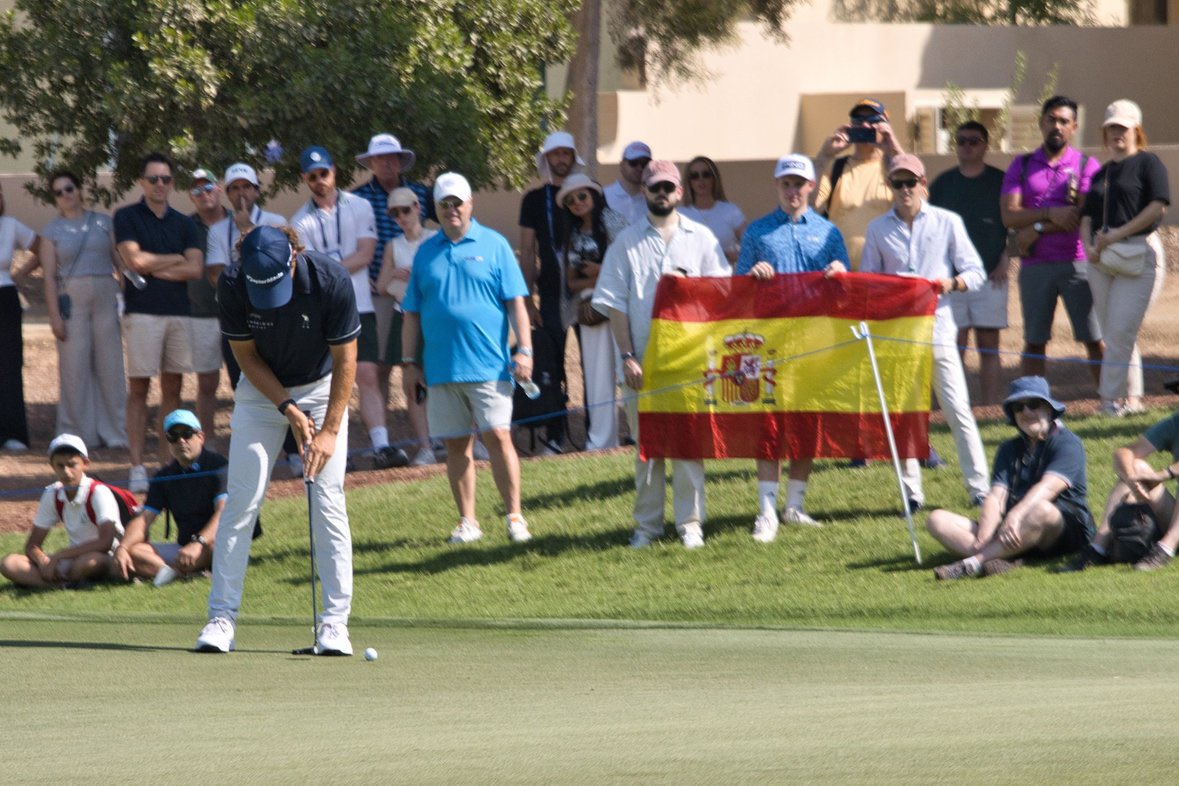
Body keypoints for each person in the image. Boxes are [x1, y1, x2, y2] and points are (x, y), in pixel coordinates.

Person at [196, 225, 359, 655]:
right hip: (261, 393)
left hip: (322, 390)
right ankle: (221, 618)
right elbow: (246, 357)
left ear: (293, 258)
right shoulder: (232, 284)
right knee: (242, 500)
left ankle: (334, 624)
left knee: (326, 499)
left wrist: (328, 431)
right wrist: (287, 407)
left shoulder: (330, 280)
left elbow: (346, 361)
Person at [592, 160, 729, 549]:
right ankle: (647, 527)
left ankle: (690, 524)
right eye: (655, 187)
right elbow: (615, 305)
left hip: (689, 363)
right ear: (645, 192)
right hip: (642, 365)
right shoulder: (625, 243)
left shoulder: (702, 238)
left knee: (688, 447)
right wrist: (627, 356)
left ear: (679, 192)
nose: (662, 193)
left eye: (669, 187)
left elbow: (722, 296)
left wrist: (693, 291)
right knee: (647, 450)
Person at [400, 173, 535, 545]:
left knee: (499, 437)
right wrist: (409, 362)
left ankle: (515, 517)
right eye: (444, 204)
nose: (451, 209)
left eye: (457, 202)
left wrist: (524, 349)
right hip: (441, 368)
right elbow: (411, 313)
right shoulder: (426, 251)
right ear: (437, 208)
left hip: (490, 365)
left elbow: (517, 304)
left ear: (470, 203)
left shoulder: (495, 245)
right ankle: (468, 522)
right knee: (456, 444)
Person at [860, 154, 989, 511]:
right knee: (904, 415)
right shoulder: (877, 229)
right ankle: (911, 493)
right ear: (889, 186)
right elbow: (869, 281)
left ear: (923, 184)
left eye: (911, 182)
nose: (905, 189)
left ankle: (979, 487)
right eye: (898, 183)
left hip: (939, 330)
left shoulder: (948, 221)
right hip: (898, 334)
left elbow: (976, 272)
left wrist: (951, 283)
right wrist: (891, 290)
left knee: (958, 410)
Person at [735, 154, 849, 539]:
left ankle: (794, 506)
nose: (792, 191)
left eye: (799, 184)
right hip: (769, 341)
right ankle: (767, 510)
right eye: (786, 183)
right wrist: (753, 275)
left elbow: (845, 286)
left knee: (807, 421)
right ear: (777, 186)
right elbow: (737, 288)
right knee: (769, 424)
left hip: (815, 340)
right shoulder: (758, 231)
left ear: (811, 187)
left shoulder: (828, 232)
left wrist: (840, 273)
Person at [291, 145, 408, 469]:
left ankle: (381, 445)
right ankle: (329, 450)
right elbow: (308, 269)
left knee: (367, 374)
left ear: (334, 171)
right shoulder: (299, 221)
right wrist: (339, 268)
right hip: (324, 310)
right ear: (304, 178)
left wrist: (330, 270)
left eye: (323, 173)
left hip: (359, 304)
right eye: (312, 176)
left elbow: (366, 254)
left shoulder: (360, 205)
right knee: (326, 381)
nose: (319, 180)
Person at [928, 376, 1094, 580]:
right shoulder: (1008, 448)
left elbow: (1048, 489)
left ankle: (972, 563)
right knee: (936, 519)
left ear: (1049, 409)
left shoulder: (1068, 443)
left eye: (1034, 404)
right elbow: (996, 497)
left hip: (1063, 531)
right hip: (1013, 528)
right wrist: (983, 537)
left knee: (1042, 509)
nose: (1026, 412)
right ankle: (996, 556)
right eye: (1018, 407)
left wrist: (1015, 515)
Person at [113, 152, 204, 492]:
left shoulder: (185, 223)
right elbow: (134, 261)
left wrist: (155, 266)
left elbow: (195, 268)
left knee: (173, 390)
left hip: (178, 313)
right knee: (139, 390)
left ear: (172, 183)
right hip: (142, 315)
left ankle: (168, 465)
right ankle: (137, 466)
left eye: (165, 179)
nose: (160, 184)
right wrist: (174, 259)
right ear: (142, 182)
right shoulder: (127, 216)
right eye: (153, 179)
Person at [1000, 95, 1103, 385]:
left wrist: (1037, 228)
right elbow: (1008, 216)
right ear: (1041, 123)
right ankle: (1032, 400)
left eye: (1064, 121)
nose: (1056, 126)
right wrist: (1048, 214)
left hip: (1077, 263)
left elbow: (1078, 214)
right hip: (1035, 266)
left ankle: (1110, 400)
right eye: (1051, 119)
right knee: (1034, 341)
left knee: (1094, 338)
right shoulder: (1021, 165)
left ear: (1074, 127)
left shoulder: (1086, 165)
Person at [1080, 99, 1170, 417]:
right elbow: (1087, 217)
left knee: (1120, 331)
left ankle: (1108, 401)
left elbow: (1158, 206)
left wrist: (1117, 234)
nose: (1117, 133)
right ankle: (1132, 399)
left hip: (1138, 252)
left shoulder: (1148, 163)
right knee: (1115, 332)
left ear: (1136, 131)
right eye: (1111, 128)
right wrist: (1089, 247)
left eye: (1123, 127)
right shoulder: (1101, 173)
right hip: (1102, 258)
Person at [40, 171, 128, 450]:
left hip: (105, 297)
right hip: (71, 301)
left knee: (111, 367)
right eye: (58, 192)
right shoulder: (51, 232)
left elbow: (119, 262)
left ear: (79, 189)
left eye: (69, 188)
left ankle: (115, 432)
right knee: (74, 369)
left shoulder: (103, 222)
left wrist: (124, 296)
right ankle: (78, 435)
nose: (65, 195)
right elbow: (49, 277)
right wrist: (54, 316)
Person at [928, 121, 1010, 406]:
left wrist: (1006, 258)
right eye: (961, 141)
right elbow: (930, 227)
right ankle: (952, 407)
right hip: (952, 279)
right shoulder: (943, 183)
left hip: (991, 274)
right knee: (954, 345)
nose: (967, 146)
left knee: (989, 345)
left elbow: (1013, 224)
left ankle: (990, 408)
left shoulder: (1000, 181)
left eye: (974, 141)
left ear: (986, 145)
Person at [352, 133, 433, 401]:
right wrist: (363, 275)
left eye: (391, 158)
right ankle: (383, 423)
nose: (386, 163)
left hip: (418, 291)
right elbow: (351, 240)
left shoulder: (421, 194)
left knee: (419, 361)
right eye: (380, 158)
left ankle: (424, 419)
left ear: (400, 161)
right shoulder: (358, 198)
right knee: (380, 363)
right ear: (371, 163)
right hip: (379, 290)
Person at [519, 130, 585, 454]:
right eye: (555, 154)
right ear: (546, 159)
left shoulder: (585, 193)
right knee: (553, 363)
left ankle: (597, 433)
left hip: (585, 291)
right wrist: (527, 299)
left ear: (573, 158)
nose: (561, 159)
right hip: (549, 294)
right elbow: (527, 251)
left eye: (566, 153)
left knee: (593, 362)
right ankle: (555, 436)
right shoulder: (533, 199)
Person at [555, 173, 627, 452]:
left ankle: (638, 433)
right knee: (597, 376)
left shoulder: (615, 221)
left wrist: (601, 272)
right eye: (570, 200)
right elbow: (572, 283)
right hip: (591, 310)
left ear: (594, 195)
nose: (577, 202)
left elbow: (630, 264)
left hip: (623, 302)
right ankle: (602, 441)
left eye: (582, 195)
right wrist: (602, 275)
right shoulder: (573, 235)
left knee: (630, 367)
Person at [113, 409, 225, 586]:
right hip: (184, 547)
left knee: (215, 547)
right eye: (173, 436)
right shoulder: (164, 476)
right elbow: (144, 518)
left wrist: (198, 542)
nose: (181, 441)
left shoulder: (220, 466)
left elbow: (223, 512)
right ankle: (177, 572)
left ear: (201, 437)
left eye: (187, 433)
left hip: (215, 541)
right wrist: (123, 547)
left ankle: (166, 571)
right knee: (134, 551)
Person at [0, 434, 124, 588]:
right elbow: (32, 545)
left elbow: (105, 542)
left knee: (88, 562)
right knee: (9, 563)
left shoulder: (98, 491)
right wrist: (43, 561)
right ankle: (62, 585)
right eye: (60, 465)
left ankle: (54, 582)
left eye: (72, 465)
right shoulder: (52, 493)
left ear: (85, 464)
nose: (66, 472)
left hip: (104, 556)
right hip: (72, 558)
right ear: (52, 466)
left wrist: (60, 555)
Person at [1063, 409, 1179, 573]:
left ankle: (1165, 549)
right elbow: (1125, 451)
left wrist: (1163, 474)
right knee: (1136, 467)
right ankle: (1097, 549)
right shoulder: (1176, 423)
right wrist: (1131, 478)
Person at [375, 187, 437, 466]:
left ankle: (469, 439)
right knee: (413, 382)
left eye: (405, 209)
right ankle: (426, 446)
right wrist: (395, 273)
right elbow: (382, 286)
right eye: (395, 213)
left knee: (447, 378)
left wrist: (418, 274)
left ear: (417, 207)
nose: (402, 216)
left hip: (434, 316)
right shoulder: (393, 245)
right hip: (405, 316)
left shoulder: (435, 238)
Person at [813, 98, 906, 270]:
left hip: (884, 274)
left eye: (873, 121)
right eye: (858, 121)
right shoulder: (836, 168)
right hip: (841, 272)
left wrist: (893, 148)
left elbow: (920, 203)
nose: (865, 126)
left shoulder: (895, 169)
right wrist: (824, 155)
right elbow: (810, 203)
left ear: (886, 126)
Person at [186, 168, 230, 436]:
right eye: (197, 190)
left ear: (219, 188)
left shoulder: (237, 222)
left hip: (238, 315)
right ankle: (208, 442)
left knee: (247, 381)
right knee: (206, 383)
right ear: (191, 196)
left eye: (208, 187)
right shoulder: (185, 227)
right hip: (200, 314)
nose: (204, 193)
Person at [0, 181, 39, 452]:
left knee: (9, 364)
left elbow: (42, 248)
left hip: (5, 297)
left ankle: (13, 433)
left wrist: (19, 274)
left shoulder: (11, 225)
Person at [679, 155, 746, 265]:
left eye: (706, 174)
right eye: (694, 176)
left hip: (725, 274)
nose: (701, 179)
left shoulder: (731, 211)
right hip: (691, 274)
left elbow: (749, 245)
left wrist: (732, 253)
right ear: (689, 182)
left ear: (714, 178)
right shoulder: (680, 215)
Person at [603, 141, 652, 226]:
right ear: (621, 165)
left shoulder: (652, 200)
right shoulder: (603, 196)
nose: (640, 168)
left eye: (645, 164)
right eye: (634, 162)